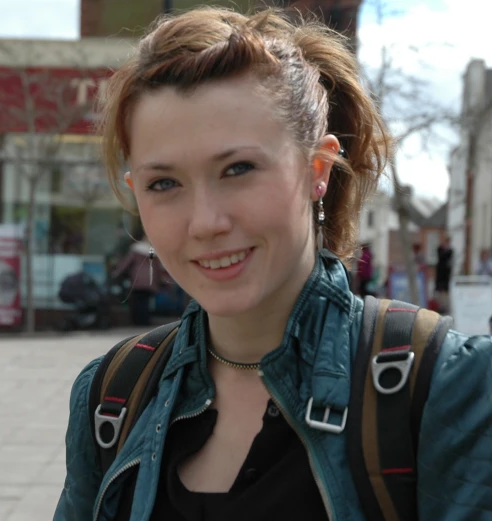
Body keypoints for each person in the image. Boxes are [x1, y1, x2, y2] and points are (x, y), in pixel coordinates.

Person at [54, 7, 492, 520]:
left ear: (317, 170)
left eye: (238, 169)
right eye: (164, 184)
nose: (204, 222)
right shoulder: (112, 396)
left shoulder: (444, 385)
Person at [111, 237, 165, 326]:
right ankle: (145, 321)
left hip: (138, 280)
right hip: (150, 280)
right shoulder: (152, 251)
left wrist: (116, 273)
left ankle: (138, 322)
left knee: (138, 301)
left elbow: (126, 264)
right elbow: (157, 266)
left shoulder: (136, 250)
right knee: (146, 302)